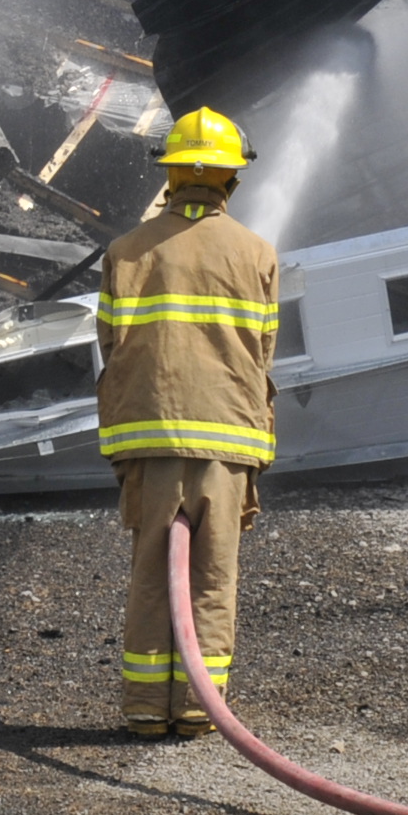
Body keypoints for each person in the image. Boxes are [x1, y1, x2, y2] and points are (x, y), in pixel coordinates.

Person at [96, 107, 279, 738]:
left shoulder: (124, 252)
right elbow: (262, 354)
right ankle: (202, 707)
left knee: (153, 572)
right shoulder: (257, 253)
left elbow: (110, 349)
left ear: (170, 176)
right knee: (212, 576)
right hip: (227, 440)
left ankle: (147, 709)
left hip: (148, 438)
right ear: (231, 179)